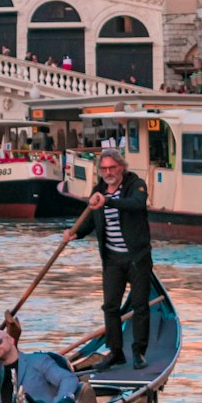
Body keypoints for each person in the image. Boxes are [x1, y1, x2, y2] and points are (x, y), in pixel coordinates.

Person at [76, 148, 152, 370]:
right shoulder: (98, 190)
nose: (108, 172)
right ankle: (116, 352)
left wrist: (107, 201)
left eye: (112, 167)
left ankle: (139, 351)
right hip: (112, 260)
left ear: (122, 167)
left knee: (139, 306)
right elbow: (90, 221)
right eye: (104, 168)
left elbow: (136, 204)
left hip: (137, 258)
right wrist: (75, 233)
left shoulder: (135, 184)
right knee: (110, 307)